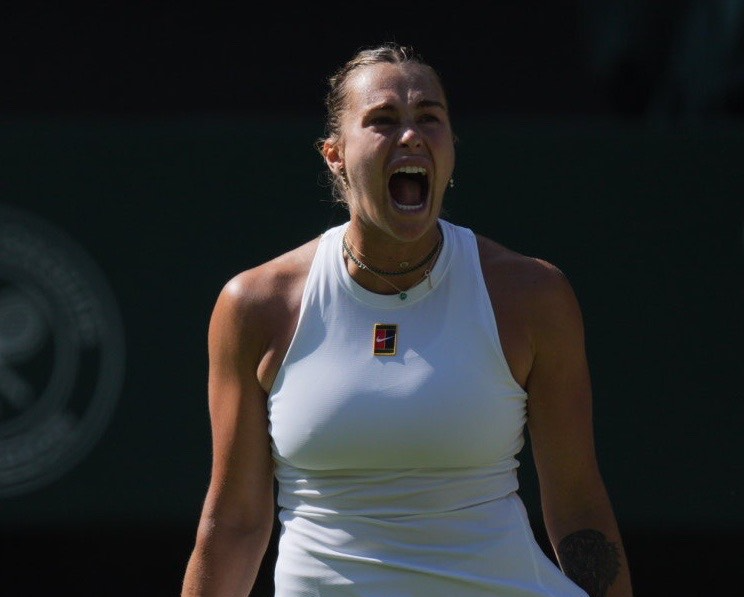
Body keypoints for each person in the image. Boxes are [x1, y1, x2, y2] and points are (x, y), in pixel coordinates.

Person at [181, 42, 633, 597]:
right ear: (335, 155)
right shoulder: (255, 305)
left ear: (451, 149)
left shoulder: (533, 295)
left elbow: (578, 505)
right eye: (383, 121)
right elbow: (234, 524)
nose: (411, 135)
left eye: (429, 119)